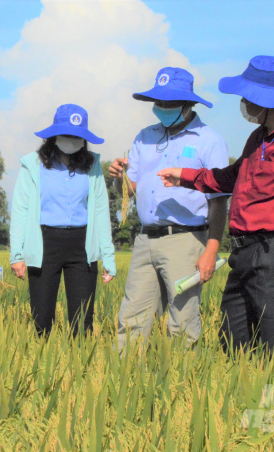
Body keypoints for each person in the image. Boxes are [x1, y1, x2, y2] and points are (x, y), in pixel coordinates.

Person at [158, 56, 274, 360]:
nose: (243, 103)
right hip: (243, 253)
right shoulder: (259, 137)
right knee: (233, 335)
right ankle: (237, 396)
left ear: (267, 99)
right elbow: (229, 178)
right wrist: (184, 176)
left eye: (247, 97)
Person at [109, 67, 230, 350]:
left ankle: (184, 384)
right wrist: (119, 178)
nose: (162, 108)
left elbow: (218, 199)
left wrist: (212, 249)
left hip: (185, 240)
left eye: (169, 104)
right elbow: (131, 190)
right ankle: (123, 379)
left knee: (183, 319)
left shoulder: (209, 141)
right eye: (158, 103)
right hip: (145, 239)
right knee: (131, 316)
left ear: (188, 105)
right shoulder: (145, 136)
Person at [10, 104, 116, 337]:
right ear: (54, 136)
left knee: (82, 321)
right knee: (41, 318)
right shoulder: (33, 165)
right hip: (45, 243)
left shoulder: (92, 165)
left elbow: (100, 211)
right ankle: (41, 364)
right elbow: (20, 210)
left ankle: (81, 366)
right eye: (66, 135)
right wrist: (16, 254)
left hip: (82, 245)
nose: (71, 140)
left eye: (76, 136)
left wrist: (108, 255)